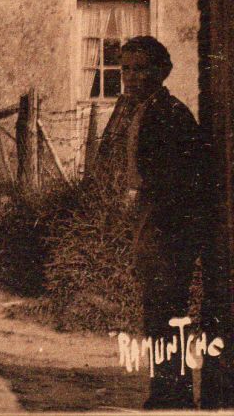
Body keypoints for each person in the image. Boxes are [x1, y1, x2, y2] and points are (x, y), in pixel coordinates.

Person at [94, 36, 204, 410]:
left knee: (167, 312)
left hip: (169, 227)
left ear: (162, 71)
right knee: (156, 312)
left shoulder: (170, 114)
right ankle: (165, 392)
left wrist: (156, 227)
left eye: (141, 69)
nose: (131, 77)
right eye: (125, 69)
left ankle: (172, 396)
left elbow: (177, 182)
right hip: (152, 220)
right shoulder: (139, 110)